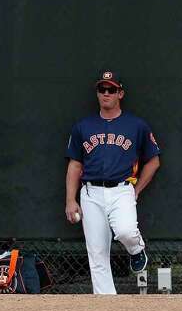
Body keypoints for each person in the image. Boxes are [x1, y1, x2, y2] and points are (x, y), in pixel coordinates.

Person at [64, 71, 162, 294]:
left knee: (126, 231)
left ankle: (136, 250)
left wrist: (136, 190)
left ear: (120, 93)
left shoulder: (136, 125)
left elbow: (153, 161)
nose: (106, 94)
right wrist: (71, 199)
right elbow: (75, 165)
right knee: (97, 254)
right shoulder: (83, 126)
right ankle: (107, 309)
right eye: (102, 89)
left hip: (121, 189)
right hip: (90, 193)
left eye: (111, 89)